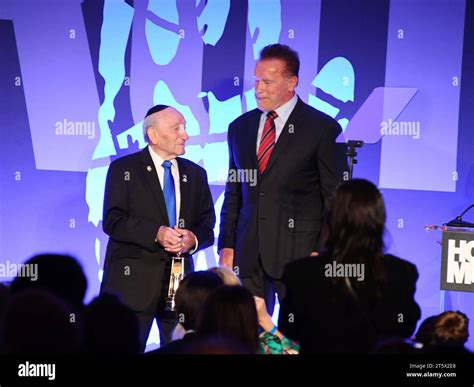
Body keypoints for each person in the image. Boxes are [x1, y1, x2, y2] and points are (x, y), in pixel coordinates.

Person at [218, 44, 347, 314]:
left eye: (267, 81)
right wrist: (227, 244)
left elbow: (336, 198)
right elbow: (234, 192)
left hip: (300, 256)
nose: (258, 89)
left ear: (292, 82)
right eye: (256, 80)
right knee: (248, 337)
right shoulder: (239, 128)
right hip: (248, 254)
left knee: (299, 336)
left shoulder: (323, 129)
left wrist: (322, 249)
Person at [100, 105, 215, 350]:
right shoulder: (124, 169)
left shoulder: (196, 174)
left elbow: (207, 224)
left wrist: (192, 239)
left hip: (180, 290)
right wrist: (157, 233)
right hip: (132, 289)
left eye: (184, 127)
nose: (185, 134)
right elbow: (113, 220)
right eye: (177, 128)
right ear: (153, 135)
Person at [278, 179, 421, 353]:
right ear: (379, 221)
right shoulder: (401, 273)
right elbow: (405, 329)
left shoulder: (301, 272)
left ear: (332, 220)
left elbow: (290, 328)